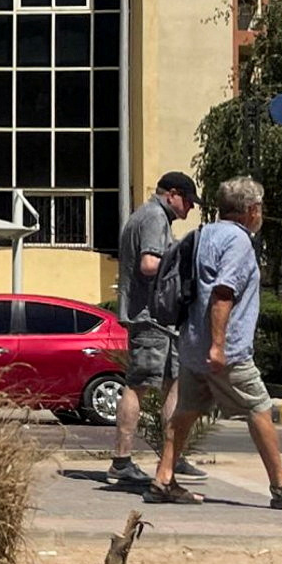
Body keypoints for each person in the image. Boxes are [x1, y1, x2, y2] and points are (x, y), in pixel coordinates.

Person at [146, 177, 282, 507]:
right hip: (225, 350)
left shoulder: (203, 234)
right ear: (251, 210)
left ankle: (163, 479)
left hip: (191, 344)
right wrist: (218, 345)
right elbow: (223, 293)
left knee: (185, 412)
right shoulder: (239, 242)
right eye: (261, 209)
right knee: (259, 408)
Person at [108, 172, 208, 485]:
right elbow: (149, 265)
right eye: (189, 201)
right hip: (149, 316)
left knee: (174, 383)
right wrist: (182, 252)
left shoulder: (148, 215)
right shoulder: (154, 217)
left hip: (161, 319)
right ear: (173, 194)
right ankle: (121, 461)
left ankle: (173, 457)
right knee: (139, 384)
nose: (190, 209)